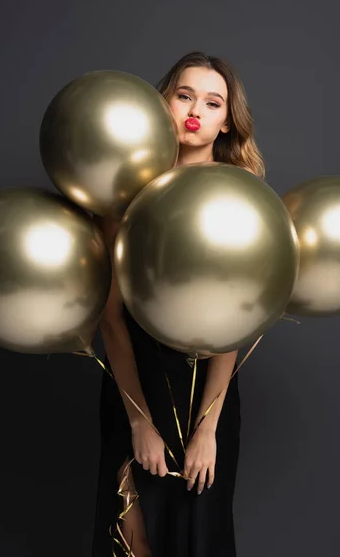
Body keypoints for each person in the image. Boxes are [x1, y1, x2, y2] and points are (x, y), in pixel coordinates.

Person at [91, 51, 265, 557]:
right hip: (133, 382)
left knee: (197, 535)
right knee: (132, 534)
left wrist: (208, 428)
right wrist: (139, 422)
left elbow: (234, 320)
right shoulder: (125, 191)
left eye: (212, 103)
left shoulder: (239, 196)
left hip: (207, 392)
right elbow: (111, 319)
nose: (195, 110)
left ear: (226, 122)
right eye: (183, 95)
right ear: (162, 101)